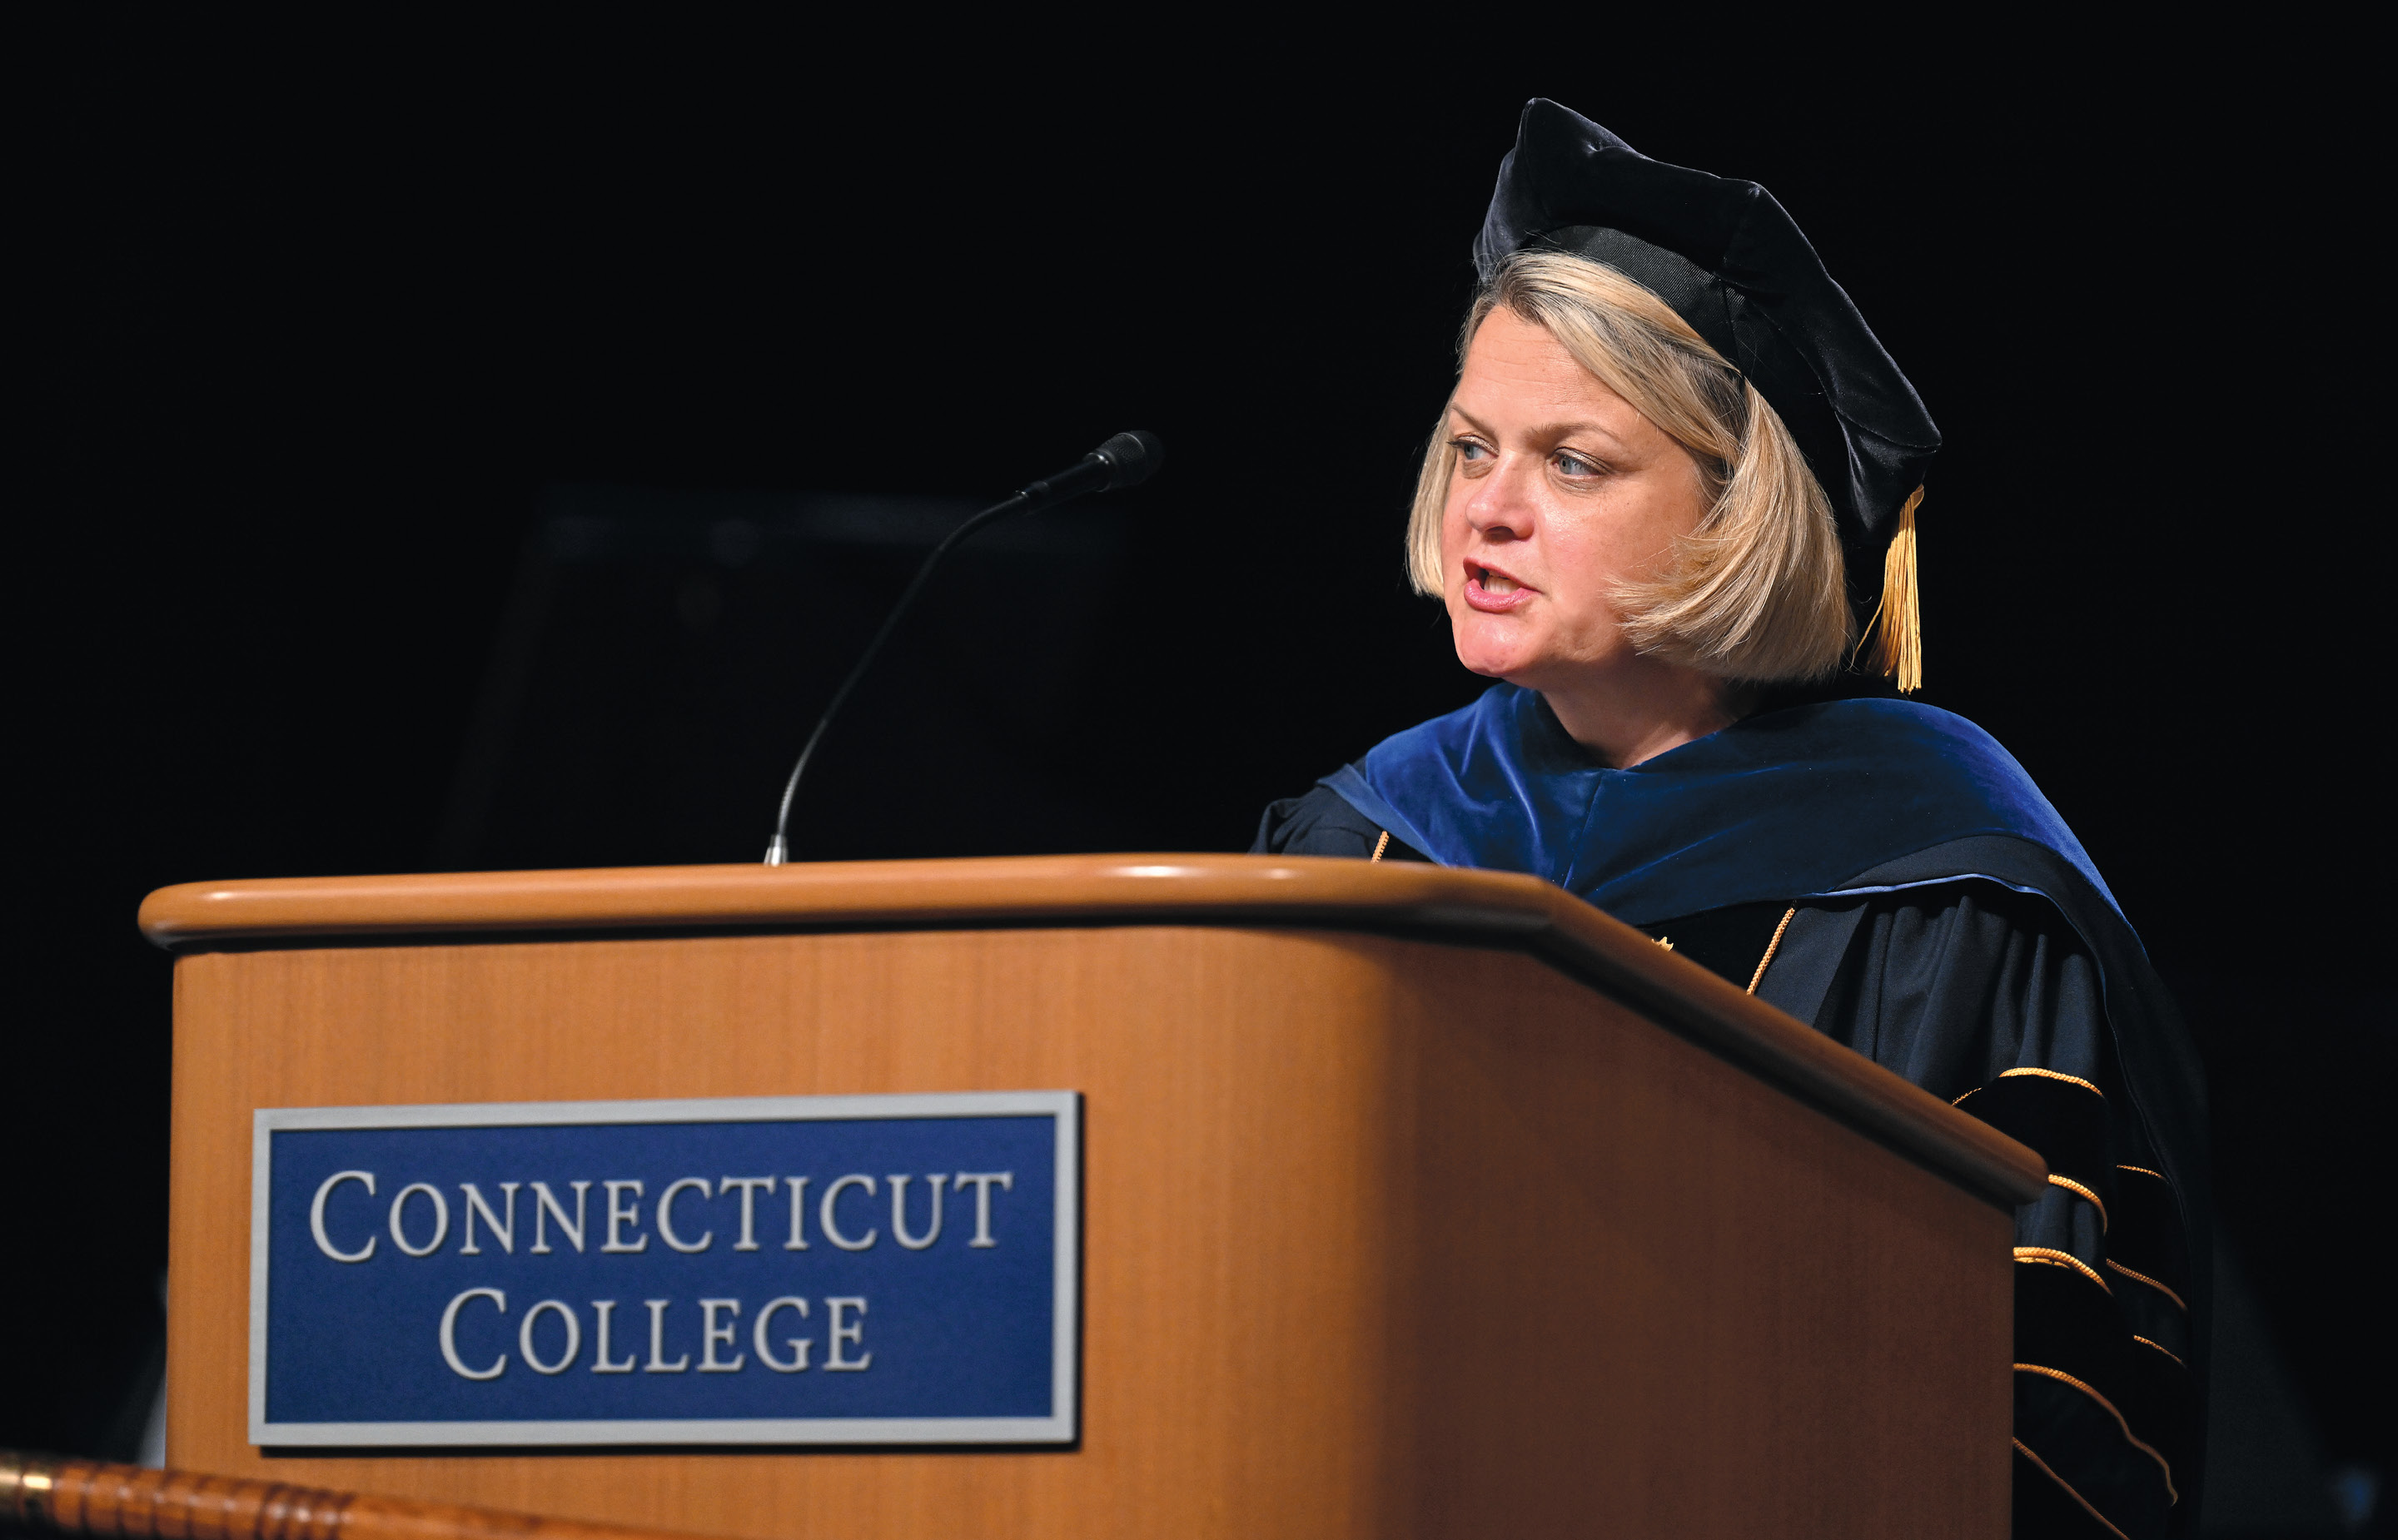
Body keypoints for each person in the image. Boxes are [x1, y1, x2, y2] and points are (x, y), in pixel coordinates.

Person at [1255, 100, 2208, 1540]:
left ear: (1735, 515)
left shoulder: (1942, 890)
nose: (1489, 511)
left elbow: (2052, 1424)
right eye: (1470, 448)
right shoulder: (1369, 841)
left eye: (1572, 462)